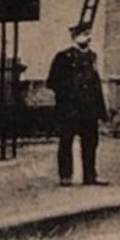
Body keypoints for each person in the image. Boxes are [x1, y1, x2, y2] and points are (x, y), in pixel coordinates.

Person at [47, 24, 109, 186]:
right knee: (66, 141)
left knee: (91, 142)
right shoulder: (63, 57)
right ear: (75, 37)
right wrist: (66, 100)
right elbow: (53, 82)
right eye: (83, 34)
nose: (88, 38)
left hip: (89, 109)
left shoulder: (92, 57)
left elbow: (96, 85)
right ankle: (66, 176)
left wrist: (101, 110)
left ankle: (90, 175)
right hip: (71, 109)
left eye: (88, 34)